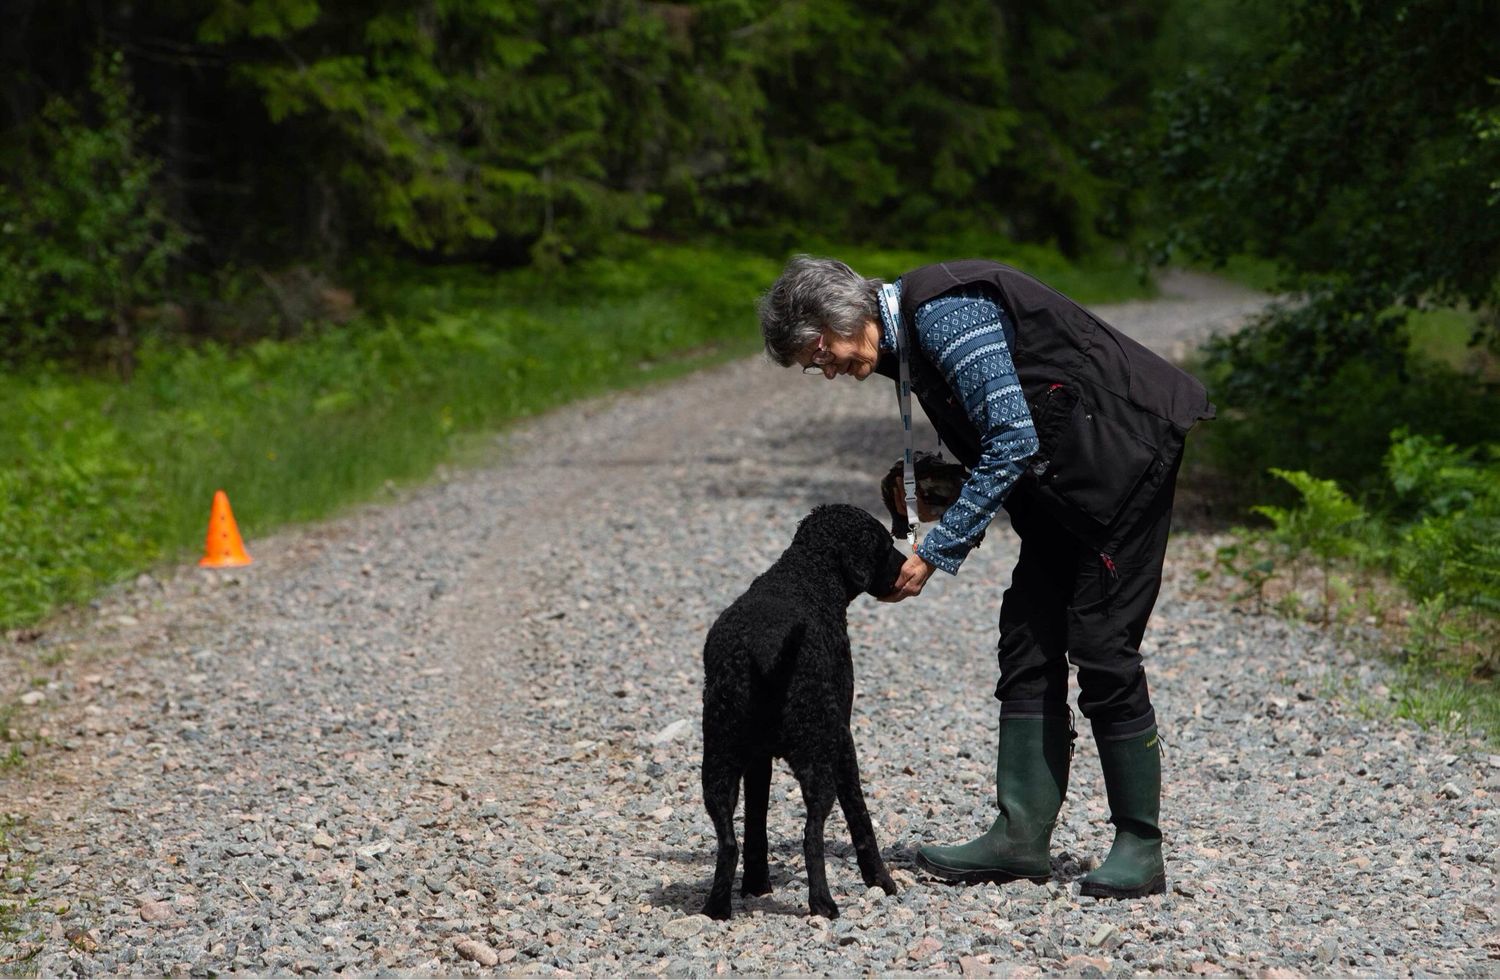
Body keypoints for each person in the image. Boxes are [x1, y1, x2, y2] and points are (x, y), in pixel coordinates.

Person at [757, 255, 1214, 899]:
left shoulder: (945, 314)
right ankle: (1020, 837)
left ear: (844, 315)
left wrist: (936, 550)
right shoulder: (905, 343)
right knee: (1027, 636)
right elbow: (1007, 424)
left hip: (1124, 460)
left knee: (1101, 645)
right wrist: (938, 486)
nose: (826, 369)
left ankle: (1141, 846)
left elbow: (1011, 437)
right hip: (1064, 479)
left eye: (820, 352)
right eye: (814, 364)